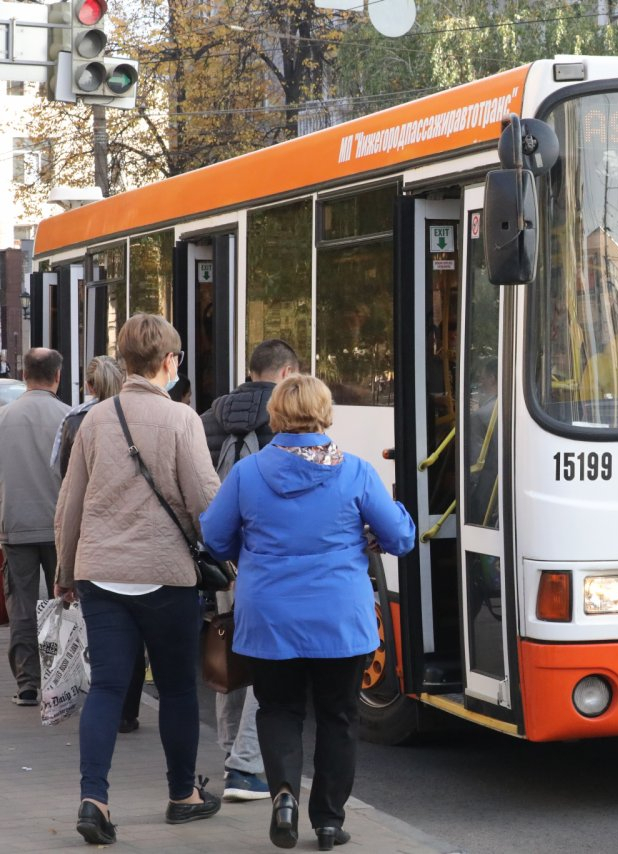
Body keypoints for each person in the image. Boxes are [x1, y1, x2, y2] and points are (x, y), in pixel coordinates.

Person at [200, 374, 415, 851]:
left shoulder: (249, 473)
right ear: (324, 413)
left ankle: (282, 798)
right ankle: (330, 822)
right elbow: (400, 538)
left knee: (279, 710)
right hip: (340, 619)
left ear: (276, 414)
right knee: (338, 717)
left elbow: (214, 538)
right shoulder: (356, 471)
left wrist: (250, 550)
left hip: (269, 616)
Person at [53, 314, 223, 845]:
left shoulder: (95, 420)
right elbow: (205, 502)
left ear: (123, 361)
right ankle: (182, 796)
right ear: (168, 361)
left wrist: (64, 571)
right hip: (166, 575)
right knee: (175, 689)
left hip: (101, 574)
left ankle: (93, 799)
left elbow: (70, 504)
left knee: (105, 687)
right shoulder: (182, 420)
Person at [199, 338, 299, 803]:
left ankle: (228, 753)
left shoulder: (211, 418)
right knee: (270, 662)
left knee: (229, 650)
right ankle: (247, 766)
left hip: (225, 559)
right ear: (286, 373)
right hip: (268, 563)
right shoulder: (288, 421)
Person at [46, 355, 146, 735]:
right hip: (136, 539)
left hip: (92, 540)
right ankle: (127, 711)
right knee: (136, 630)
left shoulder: (75, 422)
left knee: (101, 629)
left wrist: (65, 568)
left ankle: (100, 698)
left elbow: (64, 482)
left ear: (88, 385)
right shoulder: (141, 416)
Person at [0, 348, 70, 707]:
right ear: (57, 376)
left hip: (15, 525)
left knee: (22, 605)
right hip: (59, 526)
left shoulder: (4, 418)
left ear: (25, 374)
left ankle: (27, 683)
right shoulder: (69, 417)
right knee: (62, 603)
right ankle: (60, 681)